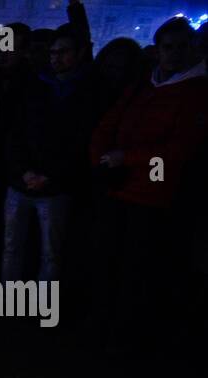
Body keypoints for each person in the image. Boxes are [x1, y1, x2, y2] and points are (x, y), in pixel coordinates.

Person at [89, 15, 208, 349]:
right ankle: (100, 326)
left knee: (136, 270)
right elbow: (108, 123)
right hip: (117, 186)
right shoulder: (143, 85)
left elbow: (178, 149)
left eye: (182, 47)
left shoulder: (196, 92)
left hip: (152, 195)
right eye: (167, 47)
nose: (174, 54)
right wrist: (100, 158)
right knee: (106, 260)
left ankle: (125, 337)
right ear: (157, 51)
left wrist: (127, 158)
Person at [1, 25, 107, 282]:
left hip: (55, 185)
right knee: (13, 246)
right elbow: (16, 132)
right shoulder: (36, 86)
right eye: (52, 52)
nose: (55, 57)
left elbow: (81, 143)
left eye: (63, 52)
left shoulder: (89, 92)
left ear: (80, 53)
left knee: (50, 252)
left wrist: (49, 175)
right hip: (24, 180)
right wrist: (23, 170)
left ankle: (41, 304)